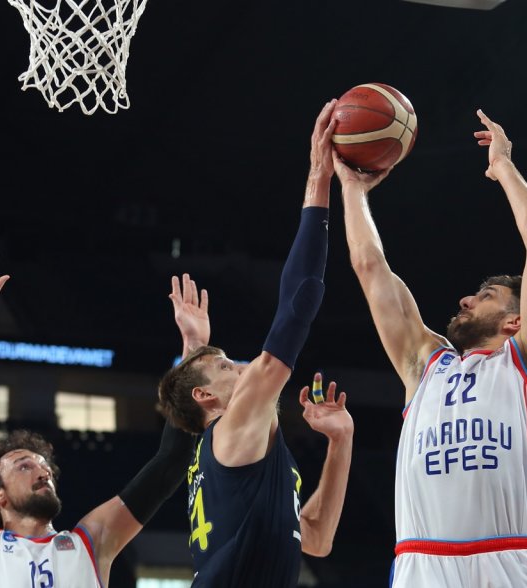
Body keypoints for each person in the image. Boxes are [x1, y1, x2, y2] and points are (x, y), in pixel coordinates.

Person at [336, 110, 527, 587]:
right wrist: (354, 191)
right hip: (421, 564)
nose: (465, 298)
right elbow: (369, 266)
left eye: (486, 296)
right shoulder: (425, 366)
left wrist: (502, 167)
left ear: (515, 320)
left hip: (505, 561)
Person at [155, 100, 355, 587]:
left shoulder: (231, 447)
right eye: (227, 366)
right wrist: (318, 177)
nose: (243, 364)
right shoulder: (233, 428)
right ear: (208, 397)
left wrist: (340, 442)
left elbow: (316, 536)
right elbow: (299, 301)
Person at [0, 246, 195, 588]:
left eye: (44, 467)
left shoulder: (93, 543)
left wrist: (193, 348)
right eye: (25, 466)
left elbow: (170, 462)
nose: (42, 471)